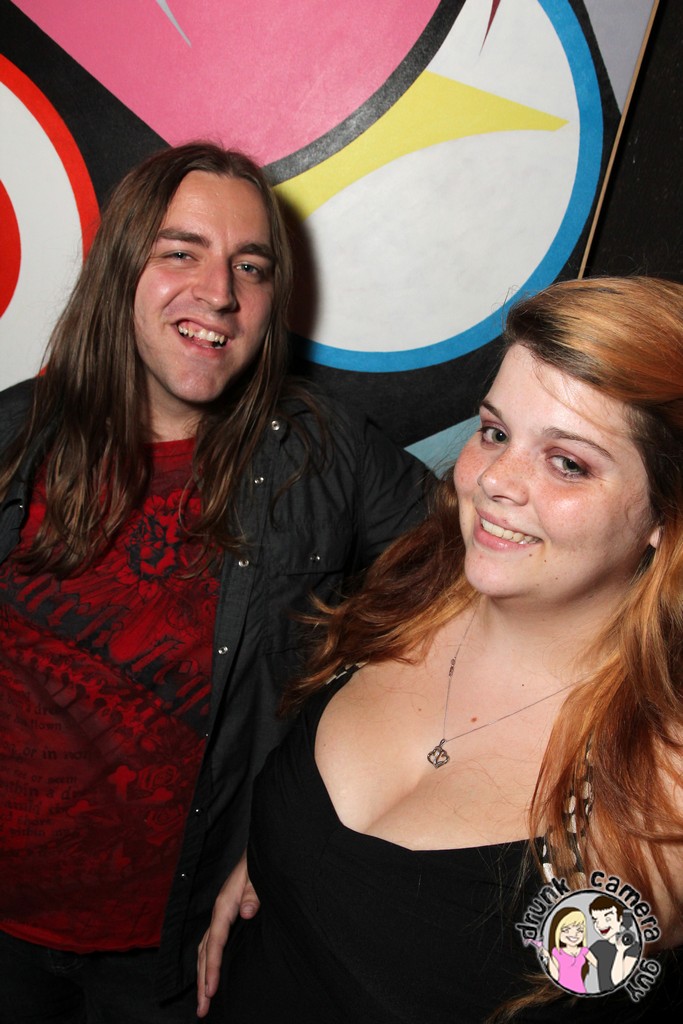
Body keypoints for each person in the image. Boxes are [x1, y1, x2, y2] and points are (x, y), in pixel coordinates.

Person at [0, 142, 430, 1023]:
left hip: (174, 953)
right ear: (123, 270)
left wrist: (300, 822)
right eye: (181, 252)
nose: (220, 293)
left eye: (250, 266)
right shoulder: (13, 435)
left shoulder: (324, 453)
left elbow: (479, 600)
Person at [198, 276, 683, 1022]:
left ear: (663, 518)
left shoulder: (661, 800)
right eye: (494, 432)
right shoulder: (417, 586)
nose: (494, 481)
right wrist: (279, 853)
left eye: (568, 463)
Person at [588, 895, 641, 991]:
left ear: (620, 918)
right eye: (595, 920)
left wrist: (620, 951)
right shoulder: (598, 946)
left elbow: (617, 981)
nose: (600, 925)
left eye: (608, 919)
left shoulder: (633, 947)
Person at [544, 907, 596, 995]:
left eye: (580, 930)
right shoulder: (557, 952)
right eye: (566, 930)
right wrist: (548, 958)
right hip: (560, 993)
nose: (574, 934)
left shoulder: (584, 951)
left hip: (580, 991)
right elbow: (555, 976)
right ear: (557, 931)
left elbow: (600, 966)